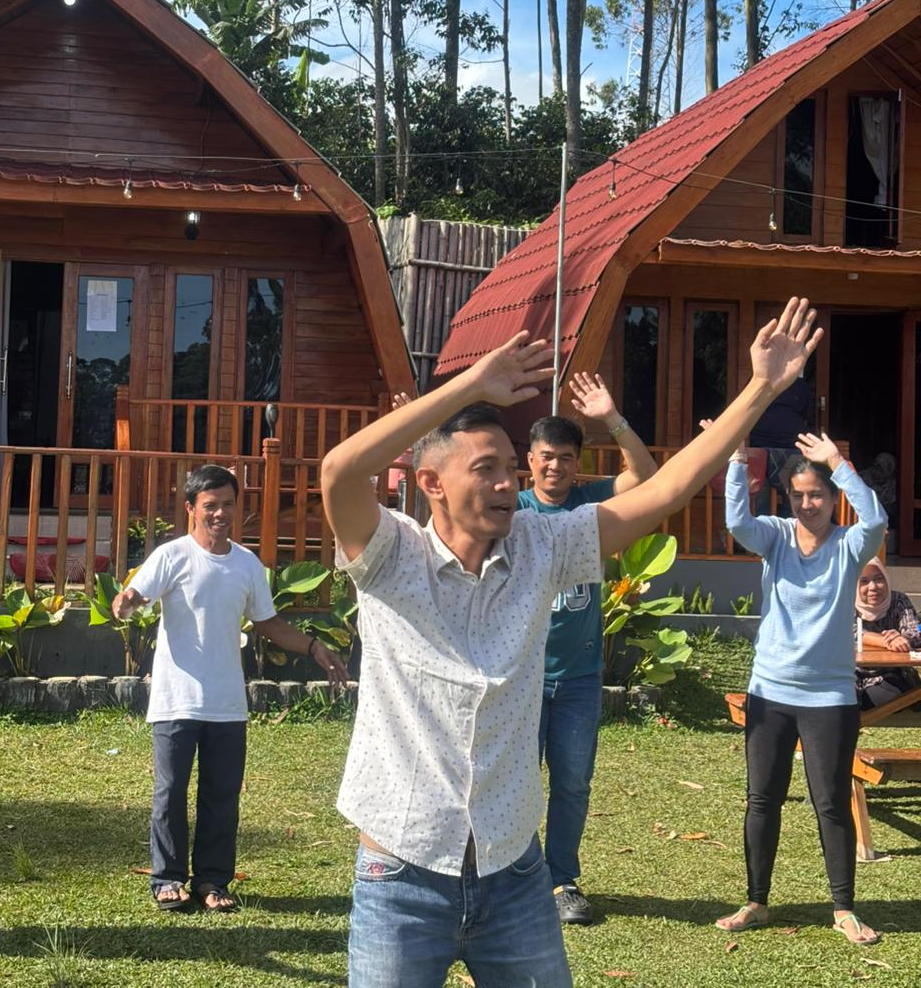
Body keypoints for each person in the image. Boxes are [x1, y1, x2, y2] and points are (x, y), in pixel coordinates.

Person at [321, 296, 821, 988]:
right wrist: (467, 387)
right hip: (400, 873)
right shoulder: (388, 555)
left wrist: (762, 388)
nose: (508, 483)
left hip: (514, 873)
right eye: (487, 468)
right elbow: (341, 473)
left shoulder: (543, 545)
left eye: (511, 467)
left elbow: (666, 491)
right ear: (430, 483)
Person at [112, 463, 348, 912]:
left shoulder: (247, 565)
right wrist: (125, 603)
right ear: (191, 508)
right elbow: (134, 598)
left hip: (226, 704)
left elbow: (269, 623)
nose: (220, 513)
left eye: (227, 505)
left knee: (221, 798)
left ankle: (213, 881)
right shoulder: (171, 556)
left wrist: (314, 646)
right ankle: (167, 879)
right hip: (176, 700)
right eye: (210, 506)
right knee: (170, 793)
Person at [716, 433, 887, 946]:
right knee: (761, 800)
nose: (806, 504)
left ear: (833, 498)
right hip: (769, 691)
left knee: (830, 802)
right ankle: (756, 902)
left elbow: (876, 520)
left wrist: (838, 462)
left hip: (829, 698)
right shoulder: (775, 536)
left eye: (816, 494)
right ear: (787, 497)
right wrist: (737, 459)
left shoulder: (849, 546)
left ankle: (843, 909)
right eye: (797, 495)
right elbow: (737, 523)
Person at [518, 377, 657, 925]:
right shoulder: (514, 509)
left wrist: (612, 416)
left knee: (572, 783)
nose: (555, 466)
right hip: (522, 676)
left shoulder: (590, 501)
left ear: (578, 464)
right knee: (518, 783)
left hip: (578, 678)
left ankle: (562, 880)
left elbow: (645, 476)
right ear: (530, 461)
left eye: (566, 458)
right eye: (546, 457)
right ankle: (517, 876)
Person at [855, 558, 921, 710]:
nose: (873, 587)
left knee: (889, 694)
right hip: (852, 675)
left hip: (891, 675)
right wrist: (887, 641)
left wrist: (903, 639)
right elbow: (852, 632)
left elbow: (915, 632)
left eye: (879, 579)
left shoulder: (898, 600)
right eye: (864, 581)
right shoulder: (845, 602)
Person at [748, 375, 815, 510]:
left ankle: (792, 521)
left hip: (791, 450)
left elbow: (809, 415)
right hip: (761, 450)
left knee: (794, 492)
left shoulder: (799, 386)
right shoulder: (757, 381)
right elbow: (745, 410)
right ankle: (762, 522)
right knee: (760, 491)